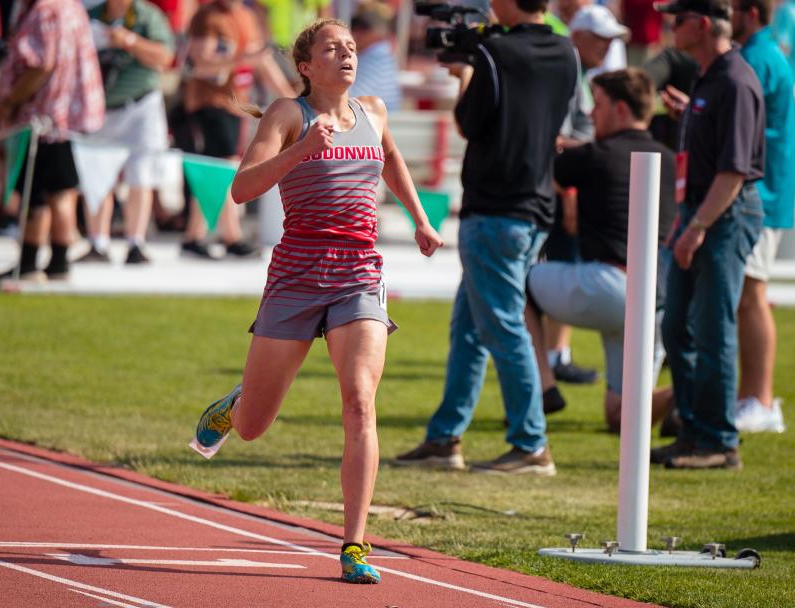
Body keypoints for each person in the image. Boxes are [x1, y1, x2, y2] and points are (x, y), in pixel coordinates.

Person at [189, 19, 443, 584]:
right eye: (333, 48)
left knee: (359, 399)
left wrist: (421, 219)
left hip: (358, 272)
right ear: (307, 66)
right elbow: (243, 187)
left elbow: (393, 159)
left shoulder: (373, 111)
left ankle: (354, 545)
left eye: (351, 46)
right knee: (255, 425)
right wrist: (303, 149)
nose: (347, 54)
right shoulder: (287, 114)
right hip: (297, 274)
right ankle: (236, 405)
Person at [394, 0, 577, 474]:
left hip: (495, 207)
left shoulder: (495, 52)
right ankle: (444, 438)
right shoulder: (566, 50)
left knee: (501, 326)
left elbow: (469, 123)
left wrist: (465, 72)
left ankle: (531, 442)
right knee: (470, 329)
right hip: (534, 205)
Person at [527, 67, 677, 433]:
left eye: (599, 105)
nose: (592, 114)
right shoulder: (669, 158)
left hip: (608, 286)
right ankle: (693, 386)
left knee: (513, 281)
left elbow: (536, 176)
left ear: (621, 110)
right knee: (620, 418)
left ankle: (544, 385)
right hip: (655, 298)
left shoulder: (594, 156)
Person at [651, 0, 765, 470]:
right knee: (678, 324)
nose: (670, 27)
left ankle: (718, 440)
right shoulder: (710, 76)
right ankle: (694, 430)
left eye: (677, 20)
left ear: (701, 24)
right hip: (701, 211)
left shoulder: (735, 80)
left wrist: (695, 228)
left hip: (723, 214)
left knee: (714, 328)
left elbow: (734, 170)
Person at [545, 3, 630, 387]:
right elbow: (556, 143)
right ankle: (548, 361)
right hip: (561, 188)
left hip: (566, 185)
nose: (608, 46)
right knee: (556, 270)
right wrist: (570, 194)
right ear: (578, 36)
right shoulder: (567, 72)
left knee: (559, 268)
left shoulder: (577, 73)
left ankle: (552, 357)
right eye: (602, 38)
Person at [0, 0, 105, 282]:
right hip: (64, 117)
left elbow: (41, 65)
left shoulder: (45, 10)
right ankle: (58, 262)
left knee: (36, 194)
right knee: (60, 191)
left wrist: (10, 101)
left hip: (41, 117)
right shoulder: (72, 7)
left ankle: (29, 264)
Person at [174, 0, 296, 259]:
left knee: (217, 170)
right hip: (209, 104)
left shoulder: (245, 16)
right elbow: (201, 65)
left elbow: (263, 63)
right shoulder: (208, 18)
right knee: (224, 168)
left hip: (234, 106)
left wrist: (291, 99)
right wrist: (243, 59)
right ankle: (231, 236)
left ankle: (194, 236)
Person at [731, 0, 795, 433]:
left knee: (751, 296)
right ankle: (752, 396)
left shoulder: (757, 58)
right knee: (748, 296)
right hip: (767, 191)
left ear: (750, 12)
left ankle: (760, 399)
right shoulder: (763, 54)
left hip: (763, 193)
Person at [77, 0, 176, 265]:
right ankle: (97, 242)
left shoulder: (147, 16)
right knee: (97, 177)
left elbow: (165, 57)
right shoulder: (90, 16)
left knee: (140, 176)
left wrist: (130, 41)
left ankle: (136, 243)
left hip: (140, 105)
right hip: (100, 108)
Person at [348, 1, 401, 112]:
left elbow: (352, 99)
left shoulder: (377, 57)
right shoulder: (378, 54)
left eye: (364, 27)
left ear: (379, 31)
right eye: (355, 25)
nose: (356, 32)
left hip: (381, 125)